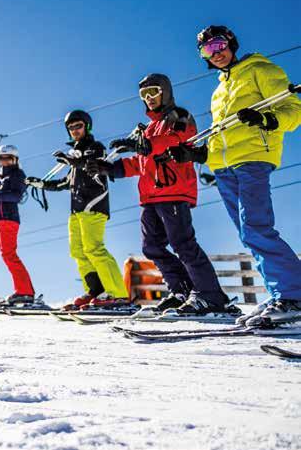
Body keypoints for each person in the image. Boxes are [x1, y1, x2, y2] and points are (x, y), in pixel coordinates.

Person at [168, 25, 301, 326]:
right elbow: (220, 137)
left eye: (218, 45)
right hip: (225, 168)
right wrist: (196, 155)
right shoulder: (219, 91)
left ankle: (294, 294)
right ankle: (281, 293)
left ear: (231, 43)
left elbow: (293, 109)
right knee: (248, 232)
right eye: (207, 50)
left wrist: (267, 119)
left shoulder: (260, 70)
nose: (216, 54)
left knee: (257, 227)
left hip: (253, 158)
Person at [87, 74, 235, 317]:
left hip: (173, 192)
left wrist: (140, 143)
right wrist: (109, 168)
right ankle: (182, 291)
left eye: (153, 92)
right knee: (152, 246)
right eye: (144, 95)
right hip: (150, 197)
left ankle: (211, 296)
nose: (149, 98)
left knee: (183, 244)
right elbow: (140, 163)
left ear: (165, 91)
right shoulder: (149, 128)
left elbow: (173, 139)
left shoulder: (179, 116)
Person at [26, 110, 130, 310]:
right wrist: (41, 184)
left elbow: (93, 165)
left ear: (87, 127)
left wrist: (75, 161)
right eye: (71, 127)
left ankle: (117, 293)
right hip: (77, 210)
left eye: (78, 126)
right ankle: (96, 290)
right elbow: (65, 183)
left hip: (93, 205)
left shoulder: (95, 148)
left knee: (94, 248)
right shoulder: (73, 157)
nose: (74, 130)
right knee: (78, 251)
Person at [0, 145, 36, 307]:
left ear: (15, 160)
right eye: (2, 159)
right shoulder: (1, 179)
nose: (5, 162)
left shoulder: (17, 175)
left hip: (8, 219)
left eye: (9, 158)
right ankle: (24, 291)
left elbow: (15, 195)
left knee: (9, 255)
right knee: (7, 255)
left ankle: (25, 292)